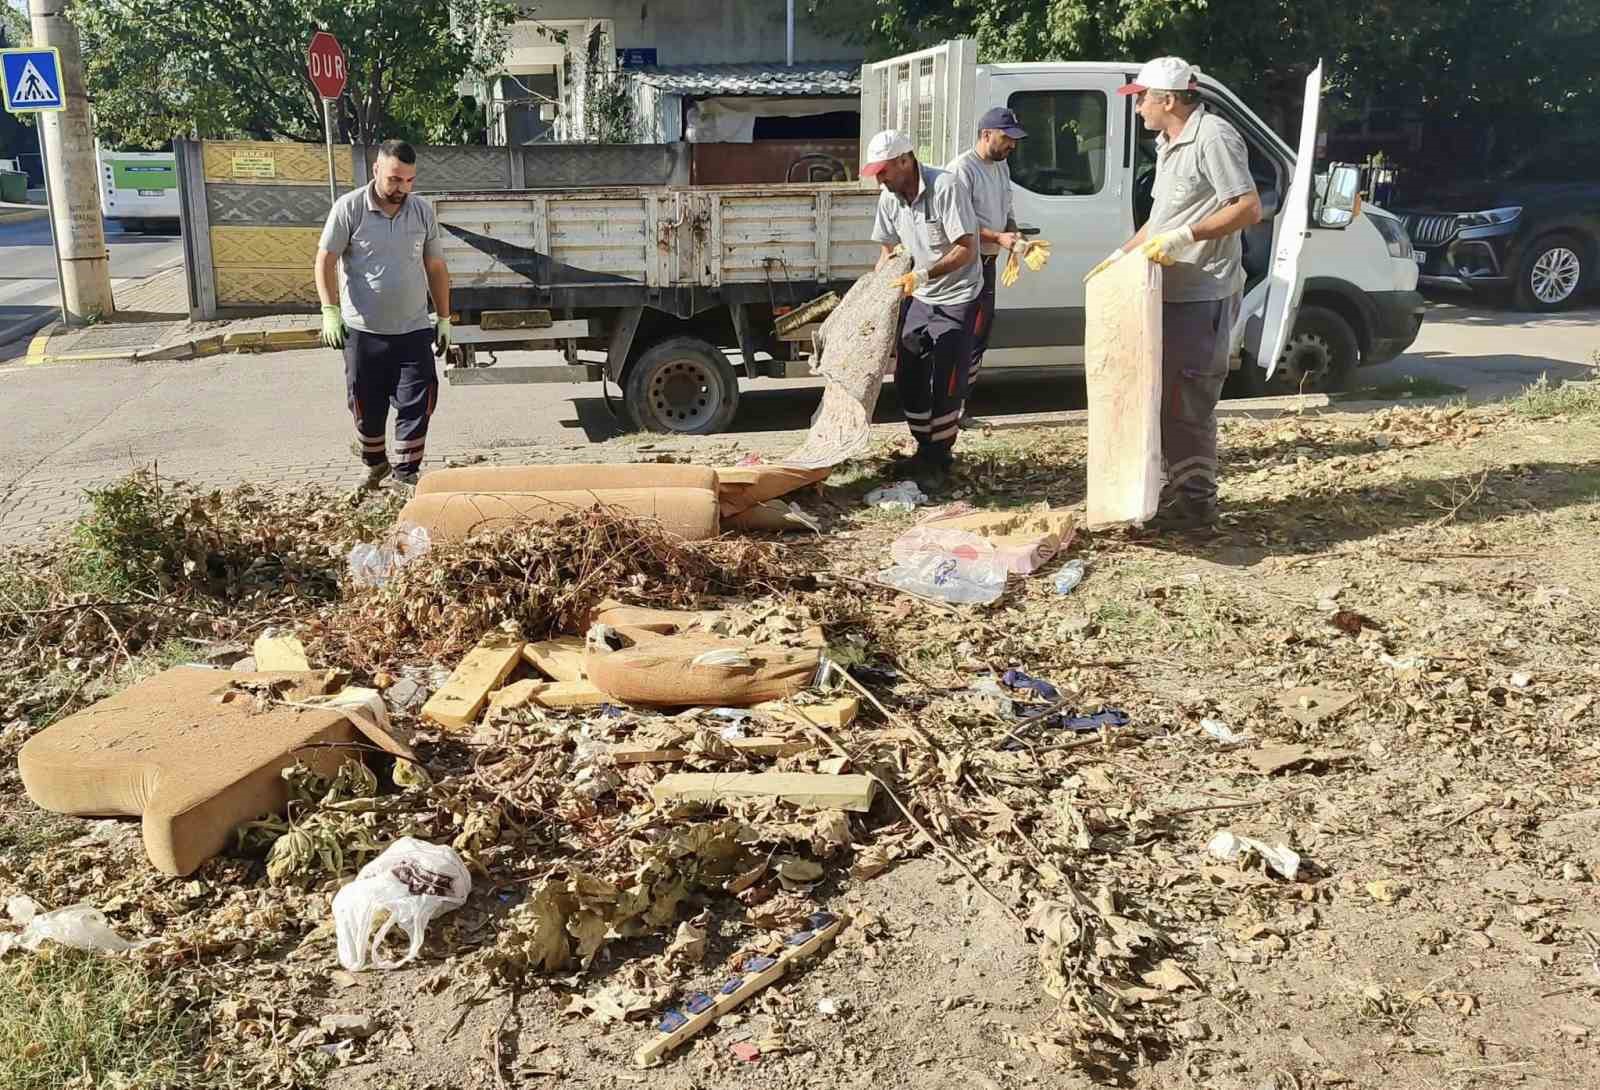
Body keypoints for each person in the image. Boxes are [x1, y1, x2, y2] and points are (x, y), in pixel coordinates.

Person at [1090, 57, 1261, 531]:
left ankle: (1197, 505)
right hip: (1165, 293)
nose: (1138, 107)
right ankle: (1173, 492)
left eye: (1142, 98)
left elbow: (1247, 208)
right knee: (1162, 399)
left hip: (1201, 292)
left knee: (1187, 402)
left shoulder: (1213, 137)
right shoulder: (1167, 144)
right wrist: (1120, 256)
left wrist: (1186, 237)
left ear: (1167, 100)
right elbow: (1159, 223)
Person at [314, 140, 453, 498]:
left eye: (409, 181)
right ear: (376, 170)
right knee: (365, 406)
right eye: (394, 179)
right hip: (363, 332)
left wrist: (444, 317)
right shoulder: (349, 209)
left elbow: (435, 266)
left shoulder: (421, 212)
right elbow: (325, 261)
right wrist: (330, 311)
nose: (402, 189)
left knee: (418, 402)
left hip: (413, 329)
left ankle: (406, 475)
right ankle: (375, 464)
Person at [865, 129, 982, 487]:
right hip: (922, 296)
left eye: (884, 171)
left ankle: (940, 457)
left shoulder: (946, 187)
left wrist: (925, 273)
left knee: (947, 378)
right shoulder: (890, 199)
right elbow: (888, 252)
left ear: (905, 161)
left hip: (959, 295)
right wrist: (878, 292)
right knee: (908, 371)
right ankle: (923, 448)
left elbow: (967, 249)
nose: (880, 179)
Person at [946, 107, 1030, 424]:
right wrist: (999, 236)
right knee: (960, 336)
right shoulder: (961, 170)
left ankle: (961, 408)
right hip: (966, 264)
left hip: (990, 262)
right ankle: (947, 409)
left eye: (1014, 140)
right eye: (1006, 138)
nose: (1012, 146)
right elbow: (960, 225)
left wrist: (1014, 232)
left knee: (980, 335)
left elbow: (1007, 210)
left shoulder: (1001, 167)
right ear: (986, 135)